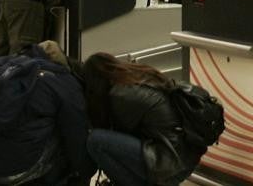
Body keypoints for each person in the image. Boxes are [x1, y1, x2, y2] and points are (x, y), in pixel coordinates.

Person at [0, 40, 94, 185]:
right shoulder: (63, 80)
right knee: (63, 132)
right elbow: (76, 137)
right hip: (17, 169)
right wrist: (86, 172)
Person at [82, 52, 201, 186]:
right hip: (183, 158)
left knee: (96, 141)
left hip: (170, 164)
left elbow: (118, 148)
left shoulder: (121, 95)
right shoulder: (135, 75)